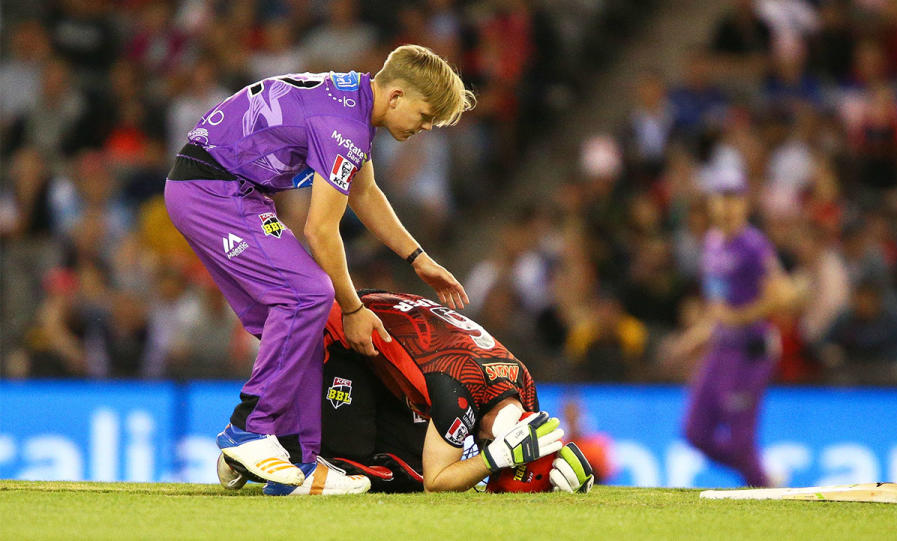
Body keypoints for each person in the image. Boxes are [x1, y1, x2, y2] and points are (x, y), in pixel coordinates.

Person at [165, 45, 473, 494]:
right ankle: (249, 430)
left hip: (222, 189)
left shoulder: (353, 104)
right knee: (310, 295)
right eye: (426, 115)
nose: (425, 127)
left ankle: (298, 463)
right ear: (397, 96)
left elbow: (365, 194)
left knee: (307, 318)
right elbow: (321, 231)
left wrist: (418, 259)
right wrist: (352, 308)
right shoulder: (345, 126)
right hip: (216, 191)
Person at [217, 290, 593, 495]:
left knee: (407, 464)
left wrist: (571, 473)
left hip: (383, 347)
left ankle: (273, 448)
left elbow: (532, 441)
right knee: (378, 471)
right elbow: (437, 481)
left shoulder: (522, 384)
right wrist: (495, 459)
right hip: (339, 334)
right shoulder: (460, 386)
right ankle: (274, 451)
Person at [677, 168, 799, 487]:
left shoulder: (753, 245)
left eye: (734, 198)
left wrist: (740, 316)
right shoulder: (713, 242)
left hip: (751, 351)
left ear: (744, 204)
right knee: (694, 432)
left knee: (741, 439)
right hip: (721, 348)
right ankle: (762, 477)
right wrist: (699, 334)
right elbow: (718, 305)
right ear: (712, 204)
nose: (727, 206)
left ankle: (761, 483)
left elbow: (784, 295)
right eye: (721, 198)